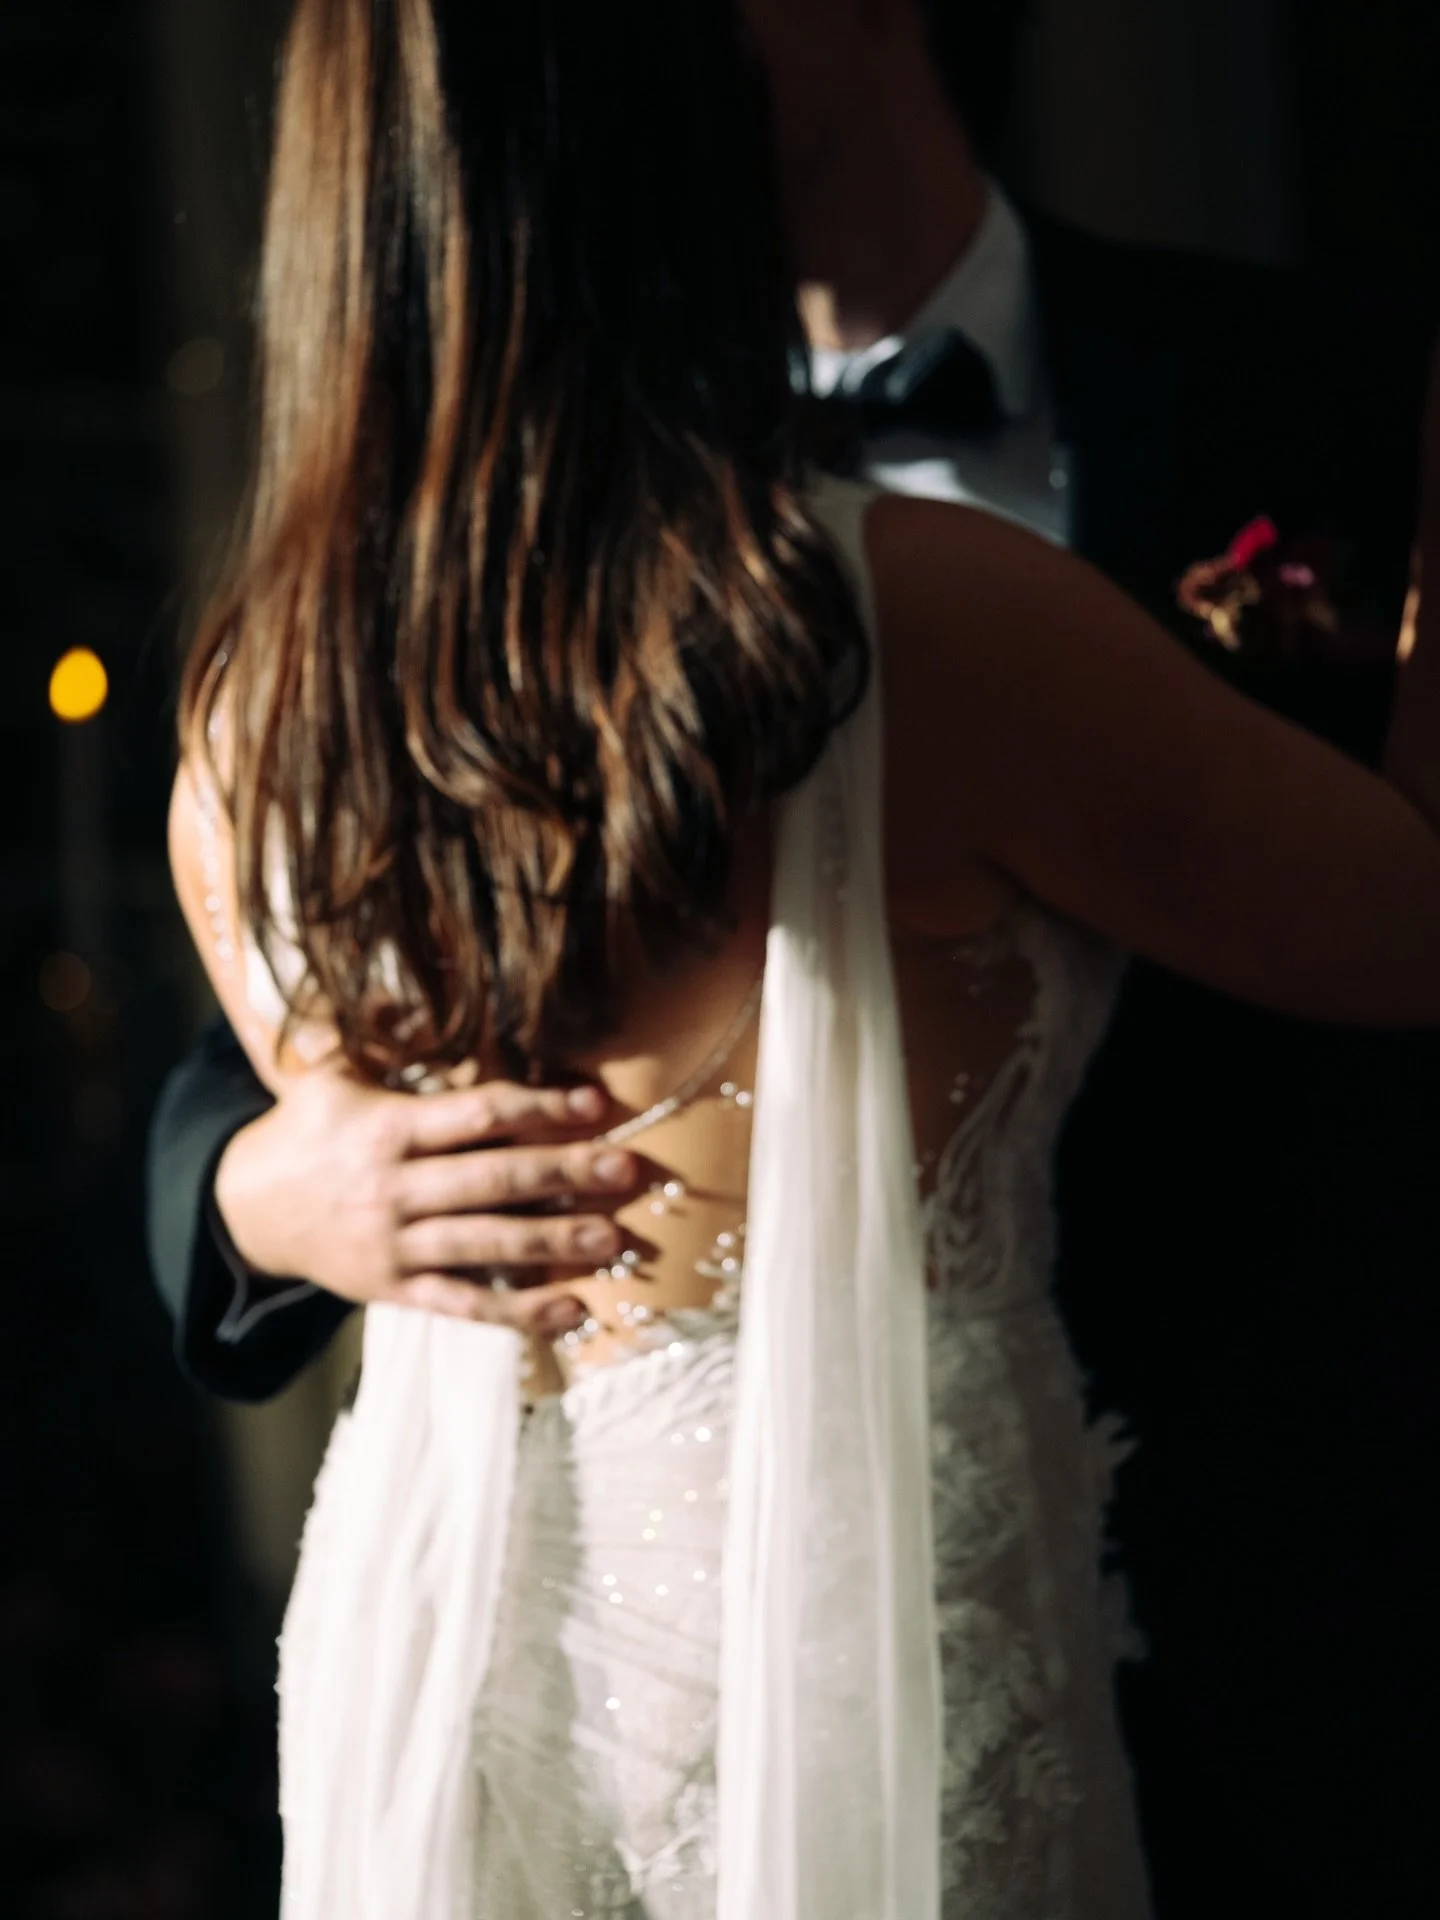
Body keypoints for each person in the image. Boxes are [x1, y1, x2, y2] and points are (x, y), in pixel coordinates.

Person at [160, 2, 1440, 1916]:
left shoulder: (249, 735)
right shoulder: (914, 626)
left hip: (469, 1712)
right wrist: (255, 1196)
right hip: (868, 1725)